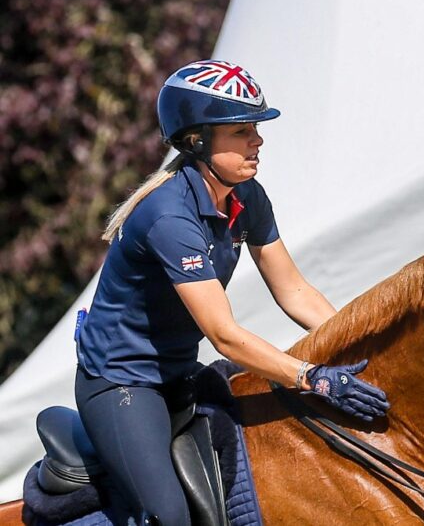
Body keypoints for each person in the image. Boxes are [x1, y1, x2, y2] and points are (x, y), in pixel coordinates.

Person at [74, 59, 390, 526]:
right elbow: (224, 335)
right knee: (169, 517)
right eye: (241, 130)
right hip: (123, 382)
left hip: (180, 373)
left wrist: (362, 349)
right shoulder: (168, 218)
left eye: (256, 129)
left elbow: (296, 292)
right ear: (197, 140)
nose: (258, 140)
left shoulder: (249, 196)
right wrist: (313, 376)